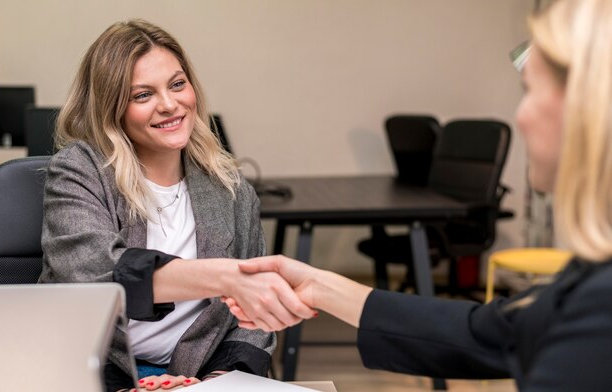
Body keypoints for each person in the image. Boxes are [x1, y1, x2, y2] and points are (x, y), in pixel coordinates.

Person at [224, 0, 612, 390]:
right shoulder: (593, 278)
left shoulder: (601, 306)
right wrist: (320, 287)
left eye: (528, 91)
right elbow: (482, 332)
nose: (521, 115)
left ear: (588, 107)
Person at [38, 19, 312, 392]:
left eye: (177, 84)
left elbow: (251, 324)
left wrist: (217, 383)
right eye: (142, 95)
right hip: (96, 370)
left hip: (197, 378)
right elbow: (93, 276)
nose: (170, 105)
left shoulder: (230, 187)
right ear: (111, 108)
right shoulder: (79, 169)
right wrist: (223, 276)